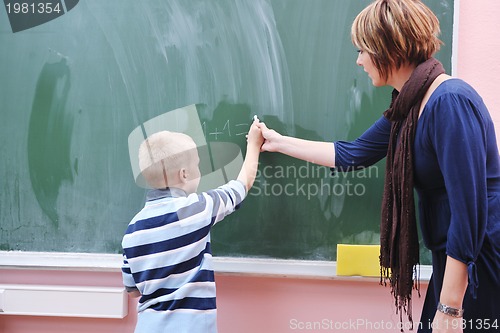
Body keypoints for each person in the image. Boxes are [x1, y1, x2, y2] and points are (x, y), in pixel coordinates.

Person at [257, 0, 500, 332]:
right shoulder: (410, 107)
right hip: (454, 260)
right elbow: (353, 154)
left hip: (480, 262)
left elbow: (468, 211)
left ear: (389, 49)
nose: (358, 61)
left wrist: (450, 308)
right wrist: (278, 142)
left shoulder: (449, 102)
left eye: (362, 50)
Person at [121, 119, 264, 333]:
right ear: (184, 174)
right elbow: (242, 186)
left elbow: (132, 291)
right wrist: (254, 145)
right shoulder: (196, 209)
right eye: (197, 165)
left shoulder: (132, 230)